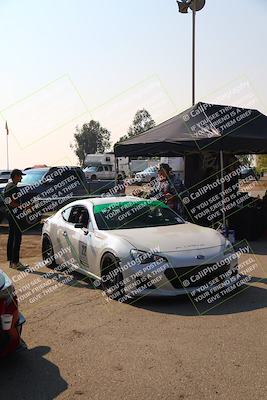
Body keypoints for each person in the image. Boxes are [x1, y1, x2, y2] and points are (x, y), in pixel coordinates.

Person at [4, 169, 28, 270]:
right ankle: (15, 262)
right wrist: (23, 206)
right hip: (15, 215)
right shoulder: (13, 187)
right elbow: (11, 203)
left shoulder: (8, 186)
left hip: (10, 214)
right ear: (16, 176)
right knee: (17, 238)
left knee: (11, 237)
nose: (21, 178)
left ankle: (11, 261)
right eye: (20, 176)